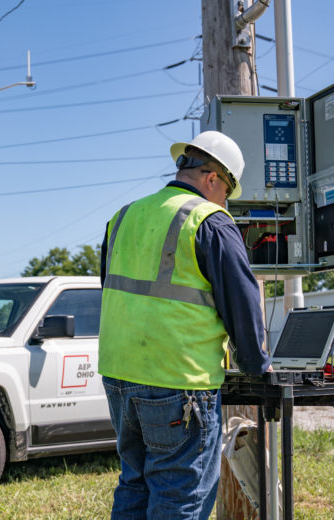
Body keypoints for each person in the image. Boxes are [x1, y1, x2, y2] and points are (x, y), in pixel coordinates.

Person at [98, 130, 271, 519]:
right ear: (213, 179)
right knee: (181, 495)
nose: (226, 201)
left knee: (135, 484)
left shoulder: (122, 217)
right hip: (178, 381)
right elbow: (242, 304)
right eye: (228, 191)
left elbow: (112, 291)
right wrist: (257, 364)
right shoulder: (210, 221)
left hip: (118, 376)